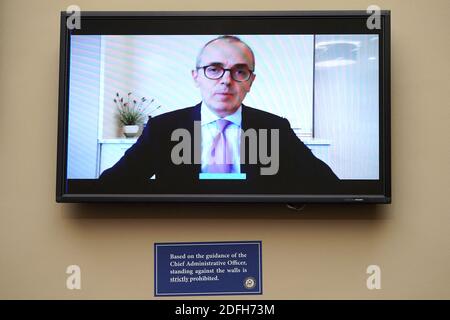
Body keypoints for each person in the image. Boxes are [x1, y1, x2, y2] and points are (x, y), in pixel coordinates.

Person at [99, 35, 339, 193]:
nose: (226, 81)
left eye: (239, 71)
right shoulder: (164, 128)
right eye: (214, 69)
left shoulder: (275, 128)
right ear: (196, 76)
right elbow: (112, 186)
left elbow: (327, 186)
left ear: (251, 81)